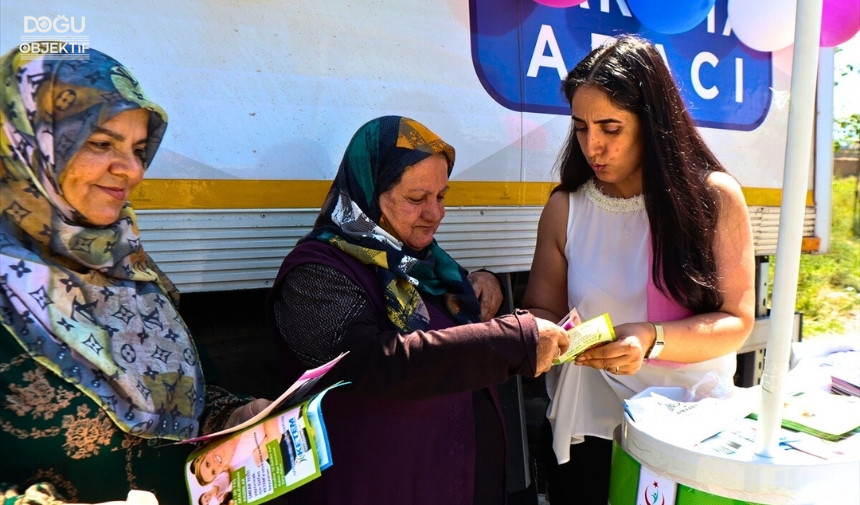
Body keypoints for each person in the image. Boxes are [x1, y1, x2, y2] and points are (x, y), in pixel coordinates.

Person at [0, 44, 269, 504]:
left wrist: (232, 419)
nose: (132, 170)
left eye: (139, 149)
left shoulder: (131, 271)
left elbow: (196, 396)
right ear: (30, 144)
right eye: (101, 143)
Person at [265, 115, 570, 505]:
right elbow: (374, 363)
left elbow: (444, 320)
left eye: (441, 196)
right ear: (369, 192)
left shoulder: (419, 263)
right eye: (416, 199)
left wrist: (484, 281)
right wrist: (509, 341)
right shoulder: (315, 274)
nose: (435, 213)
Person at [520, 35, 755, 504]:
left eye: (611, 127)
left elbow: (736, 321)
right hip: (591, 428)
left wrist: (650, 338)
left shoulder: (715, 199)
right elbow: (541, 309)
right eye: (581, 127)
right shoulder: (566, 207)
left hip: (690, 428)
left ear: (654, 123)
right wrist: (547, 335)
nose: (593, 146)